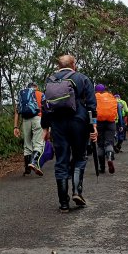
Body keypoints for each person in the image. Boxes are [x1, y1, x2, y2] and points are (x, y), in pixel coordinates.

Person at [41, 55, 97, 213]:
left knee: (61, 160)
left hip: (58, 124)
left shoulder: (50, 80)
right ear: (74, 65)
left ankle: (63, 203)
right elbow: (92, 105)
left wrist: (45, 127)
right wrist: (94, 126)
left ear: (59, 66)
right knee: (80, 157)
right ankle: (77, 192)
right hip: (79, 121)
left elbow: (45, 105)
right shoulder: (82, 78)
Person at [14, 82, 45, 176]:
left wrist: (15, 127)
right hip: (38, 119)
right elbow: (46, 109)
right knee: (38, 143)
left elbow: (17, 111)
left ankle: (27, 170)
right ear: (36, 87)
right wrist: (48, 125)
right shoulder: (41, 94)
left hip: (25, 120)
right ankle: (33, 162)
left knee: (27, 145)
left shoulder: (22, 95)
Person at [95, 84, 122, 174]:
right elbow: (118, 111)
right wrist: (121, 124)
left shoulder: (95, 97)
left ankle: (102, 168)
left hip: (99, 123)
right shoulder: (111, 97)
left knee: (100, 144)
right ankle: (110, 157)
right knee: (109, 142)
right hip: (111, 123)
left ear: (96, 90)